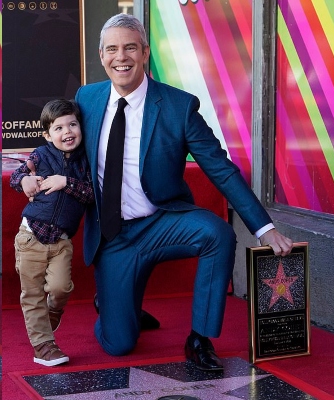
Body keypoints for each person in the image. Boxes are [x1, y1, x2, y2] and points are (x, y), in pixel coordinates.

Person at [74, 13, 294, 371]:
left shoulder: (178, 105)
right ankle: (115, 302)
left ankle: (200, 338)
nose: (121, 57)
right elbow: (63, 152)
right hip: (113, 236)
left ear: (145, 52)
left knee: (217, 233)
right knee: (119, 344)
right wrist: (31, 174)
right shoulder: (87, 99)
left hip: (163, 221)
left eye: (130, 47)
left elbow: (219, 168)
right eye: (112, 49)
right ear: (101, 56)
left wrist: (264, 228)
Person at [10, 99, 94, 366]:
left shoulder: (86, 161)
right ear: (47, 135)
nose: (67, 132)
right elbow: (16, 177)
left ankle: (54, 310)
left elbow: (92, 194)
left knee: (60, 287)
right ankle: (44, 347)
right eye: (58, 128)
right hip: (30, 237)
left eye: (72, 124)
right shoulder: (40, 156)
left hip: (61, 240)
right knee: (32, 295)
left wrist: (65, 182)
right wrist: (25, 180)